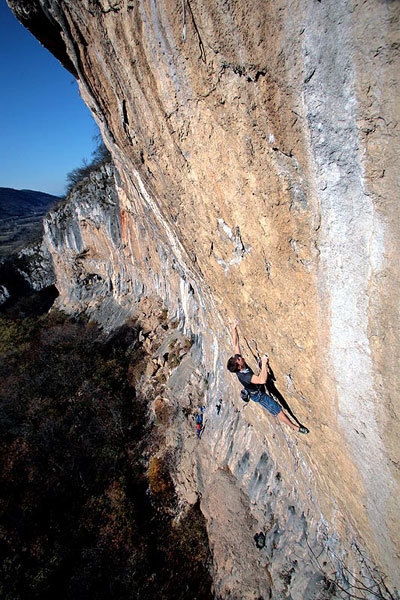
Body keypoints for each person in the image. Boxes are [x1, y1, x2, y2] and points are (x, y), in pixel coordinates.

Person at [227, 320, 309, 434]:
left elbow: (235, 344)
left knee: (272, 394)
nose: (240, 357)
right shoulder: (246, 376)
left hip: (256, 386)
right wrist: (264, 363)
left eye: (238, 357)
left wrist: (233, 328)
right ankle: (295, 427)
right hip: (258, 395)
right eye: (239, 359)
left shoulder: (239, 364)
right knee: (277, 409)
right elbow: (262, 380)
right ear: (239, 367)